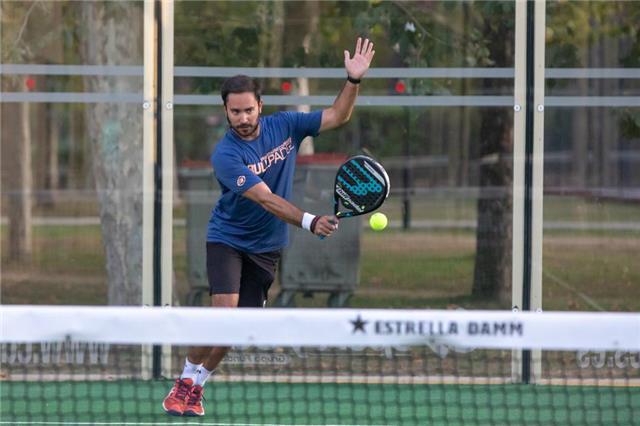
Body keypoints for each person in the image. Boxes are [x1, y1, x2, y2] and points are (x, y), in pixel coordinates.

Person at [162, 37, 375, 417]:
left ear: (260, 106)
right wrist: (310, 221)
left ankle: (198, 386)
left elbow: (336, 116)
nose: (242, 118)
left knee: (237, 327)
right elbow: (265, 199)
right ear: (225, 112)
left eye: (248, 110)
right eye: (235, 112)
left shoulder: (287, 125)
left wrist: (353, 81)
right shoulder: (226, 155)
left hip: (266, 246)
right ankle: (182, 381)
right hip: (227, 240)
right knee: (222, 315)